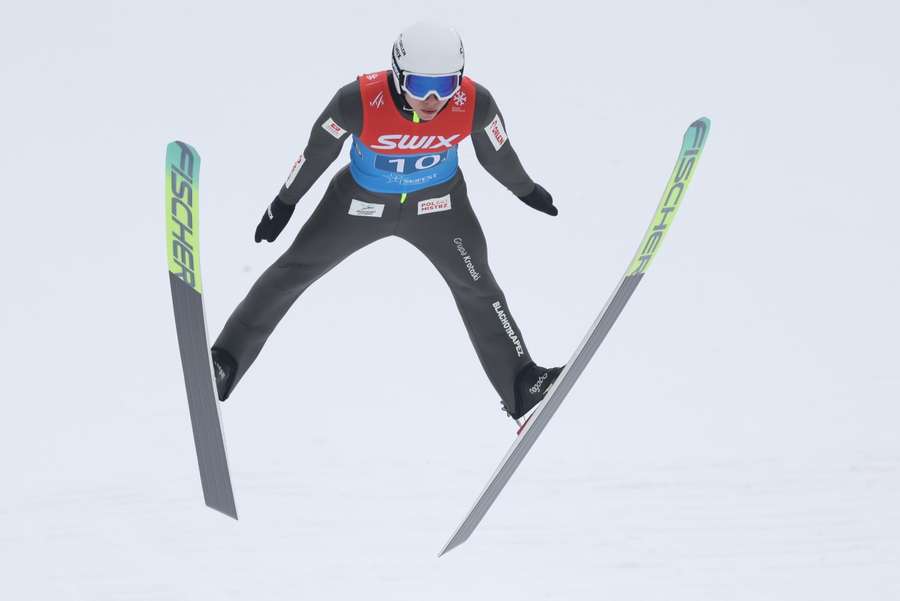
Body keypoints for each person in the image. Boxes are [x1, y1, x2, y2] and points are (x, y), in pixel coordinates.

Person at [211, 21, 561, 420]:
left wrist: (525, 189)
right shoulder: (356, 101)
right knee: (291, 271)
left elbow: (497, 154)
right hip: (358, 206)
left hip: (441, 208)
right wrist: (284, 202)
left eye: (446, 87)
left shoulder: (475, 103)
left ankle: (522, 384)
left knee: (479, 286)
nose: (432, 100)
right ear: (396, 75)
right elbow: (317, 152)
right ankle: (224, 361)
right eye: (419, 85)